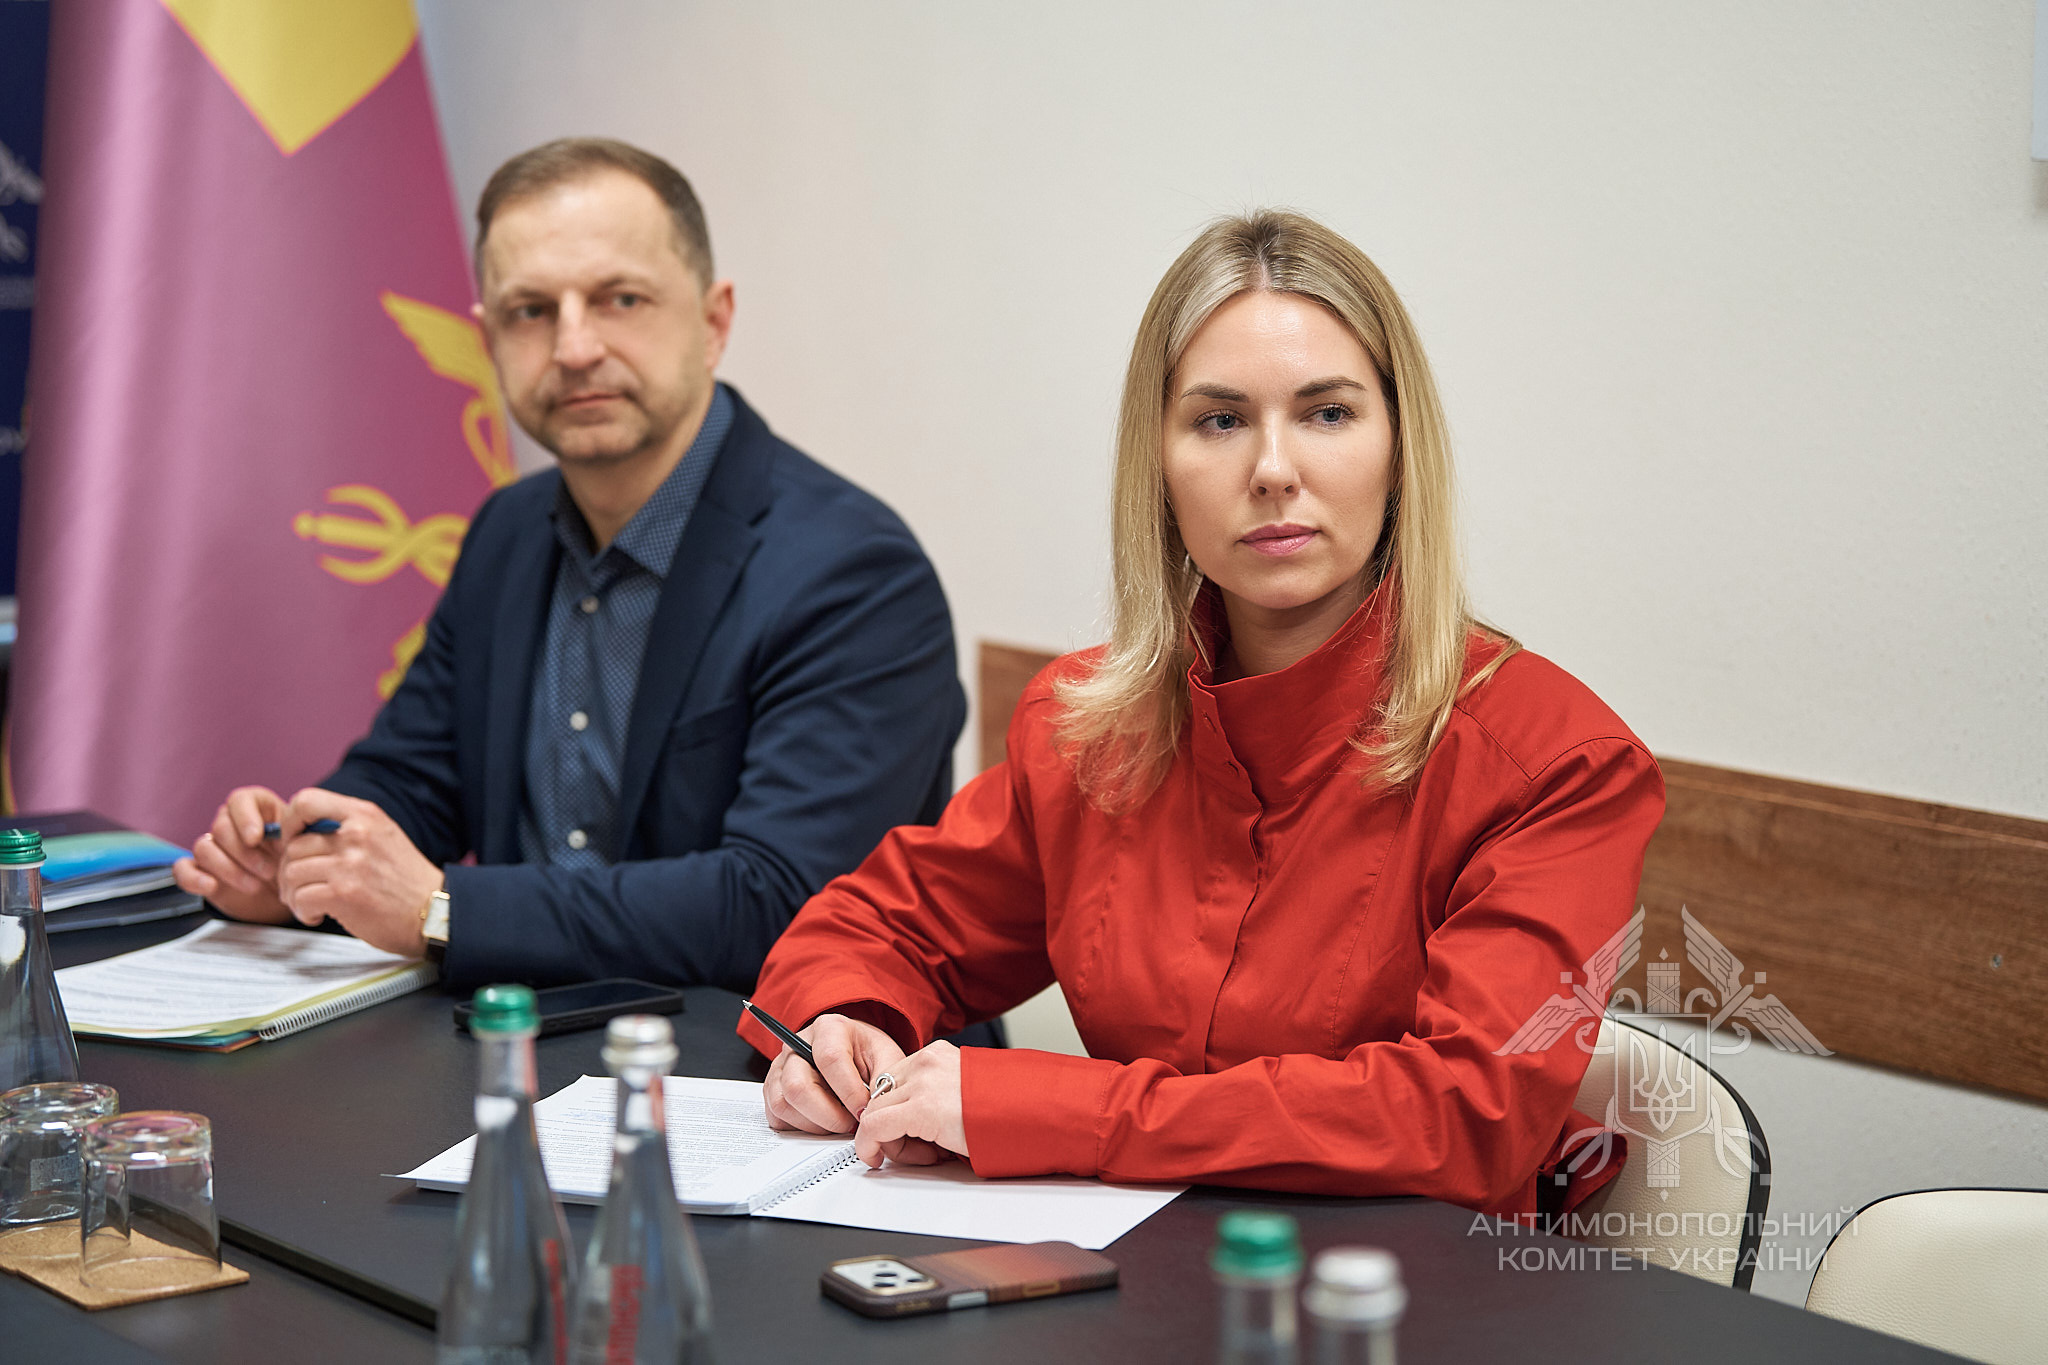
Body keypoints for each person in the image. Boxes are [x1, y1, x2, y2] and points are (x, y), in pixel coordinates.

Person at [741, 210, 1664, 1217]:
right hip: (1131, 1274)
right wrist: (839, 1027)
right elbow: (881, 926)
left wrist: (1055, 1110)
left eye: (1327, 413)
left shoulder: (1557, 764)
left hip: (1410, 1288)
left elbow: (1468, 1113)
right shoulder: (1084, 728)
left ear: (1400, 451)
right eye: (1219, 421)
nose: (1272, 469)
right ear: (1158, 463)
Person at [171, 139, 966, 993]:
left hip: (772, 1058)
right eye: (531, 311)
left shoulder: (855, 574)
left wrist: (443, 909)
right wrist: (303, 858)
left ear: (713, 322)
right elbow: (413, 778)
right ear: (488, 338)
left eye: (621, 299)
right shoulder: (507, 531)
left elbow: (782, 903)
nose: (575, 346)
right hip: (524, 1039)